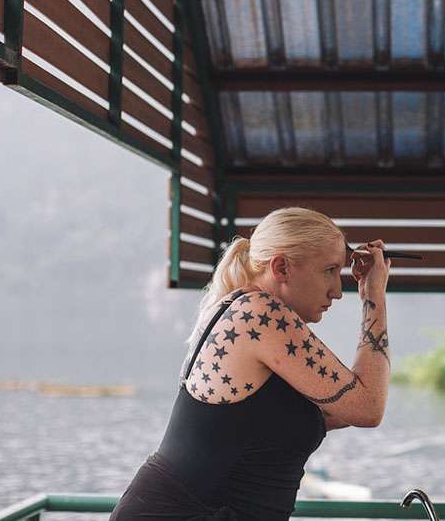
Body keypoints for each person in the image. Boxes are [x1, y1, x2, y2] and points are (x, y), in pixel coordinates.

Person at [110, 207, 391, 520]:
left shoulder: (244, 310)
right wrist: (374, 297)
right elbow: (368, 407)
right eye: (329, 270)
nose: (337, 291)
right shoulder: (258, 313)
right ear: (281, 267)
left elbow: (342, 409)